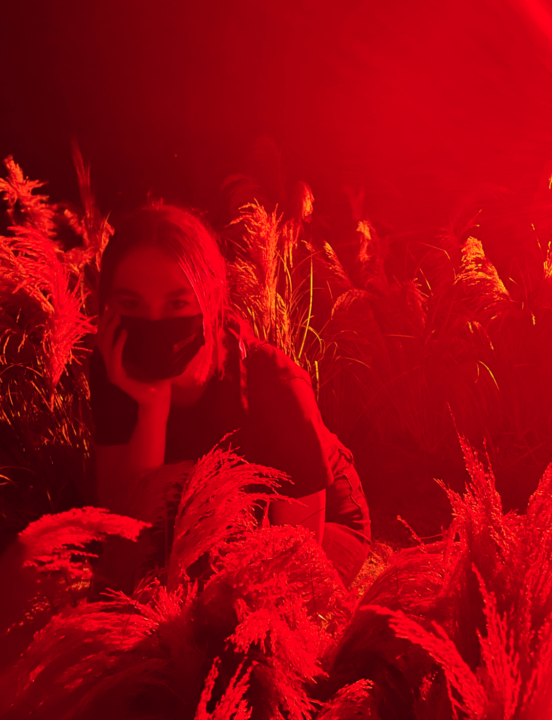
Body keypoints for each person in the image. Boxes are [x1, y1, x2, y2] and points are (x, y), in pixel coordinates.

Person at [89, 203, 371, 587]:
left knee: (254, 607)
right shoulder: (116, 366)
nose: (154, 323)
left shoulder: (273, 382)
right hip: (207, 514)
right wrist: (151, 406)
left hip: (325, 518)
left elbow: (296, 552)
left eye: (177, 303)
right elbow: (124, 528)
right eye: (130, 304)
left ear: (212, 298)